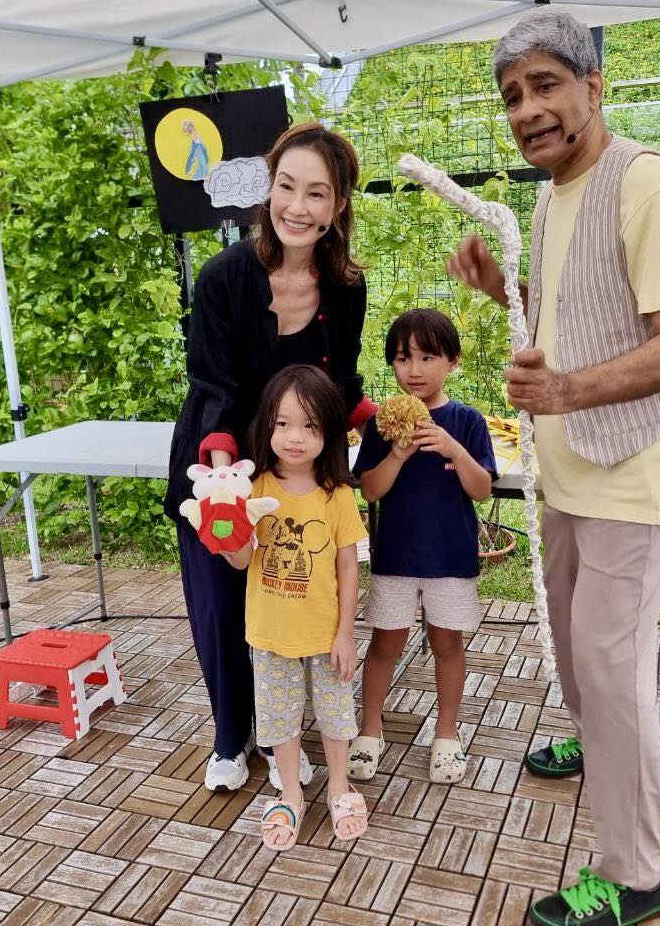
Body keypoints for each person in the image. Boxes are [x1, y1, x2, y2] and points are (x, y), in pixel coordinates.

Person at [446, 12, 660, 926]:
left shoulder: (648, 186)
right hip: (568, 470)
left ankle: (637, 878)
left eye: (548, 85)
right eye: (514, 95)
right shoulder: (556, 194)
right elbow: (578, 311)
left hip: (633, 472)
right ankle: (600, 745)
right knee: (575, 651)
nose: (529, 109)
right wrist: (501, 294)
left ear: (596, 87)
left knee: (610, 663)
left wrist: (562, 394)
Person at [166, 123, 375, 794]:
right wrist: (225, 483)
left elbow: (340, 383)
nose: (298, 207)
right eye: (287, 186)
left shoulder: (345, 286)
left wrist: (384, 422)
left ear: (339, 205)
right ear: (266, 188)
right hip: (218, 459)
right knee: (223, 604)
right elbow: (215, 387)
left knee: (291, 597)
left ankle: (280, 735)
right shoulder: (224, 278)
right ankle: (233, 736)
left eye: (318, 193)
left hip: (299, 472)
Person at [220, 365, 369, 851]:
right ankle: (290, 794)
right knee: (278, 719)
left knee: (335, 715)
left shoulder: (339, 495)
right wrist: (223, 532)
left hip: (326, 634)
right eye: (282, 424)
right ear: (266, 426)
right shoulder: (255, 488)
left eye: (310, 426)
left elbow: (349, 568)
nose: (295, 437)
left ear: (329, 431)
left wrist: (345, 633)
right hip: (269, 633)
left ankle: (340, 788)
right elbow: (242, 559)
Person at [347, 309, 496, 785]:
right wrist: (397, 452)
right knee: (386, 641)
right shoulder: (381, 425)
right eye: (401, 358)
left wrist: (453, 448)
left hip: (450, 559)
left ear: (451, 361)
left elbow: (481, 489)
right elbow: (370, 490)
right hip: (395, 557)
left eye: (427, 356)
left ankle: (447, 734)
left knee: (447, 641)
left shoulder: (467, 422)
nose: (413, 370)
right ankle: (370, 730)